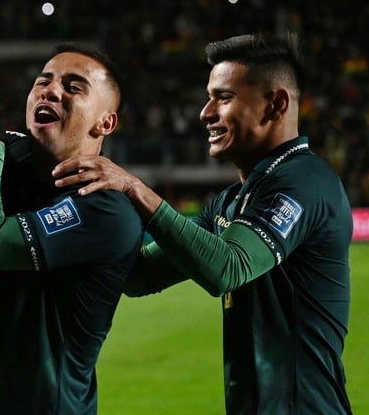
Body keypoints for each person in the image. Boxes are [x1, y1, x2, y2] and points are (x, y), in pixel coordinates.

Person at [54, 33, 353, 414]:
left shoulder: (306, 181)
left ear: (276, 104)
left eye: (223, 97)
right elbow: (140, 275)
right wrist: (84, 211)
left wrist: (134, 189)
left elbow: (228, 268)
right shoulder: (231, 201)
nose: (205, 112)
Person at [0, 43, 144, 414]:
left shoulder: (103, 207)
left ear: (105, 123)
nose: (50, 91)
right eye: (43, 82)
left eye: (73, 87)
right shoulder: (13, 157)